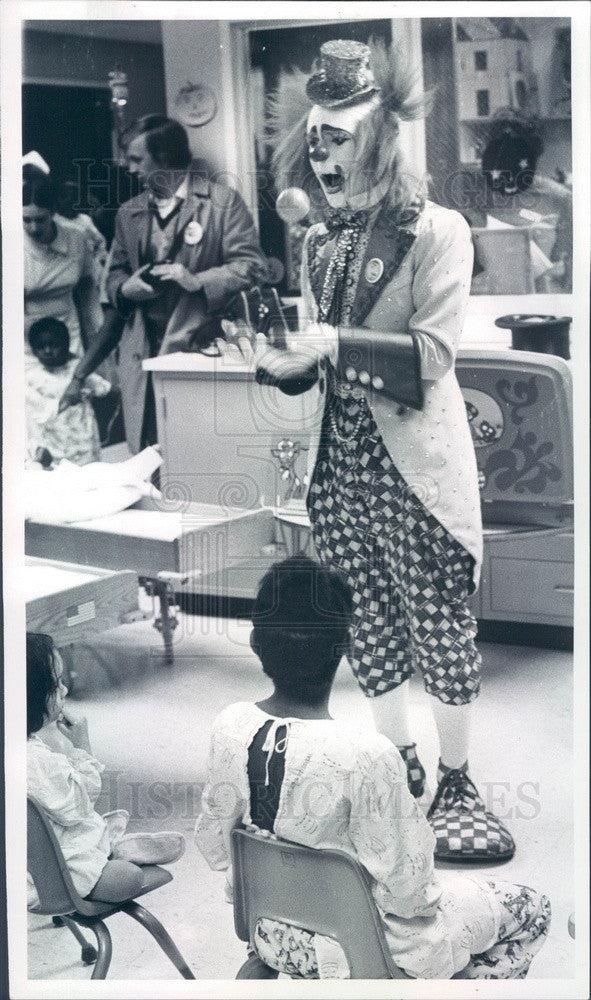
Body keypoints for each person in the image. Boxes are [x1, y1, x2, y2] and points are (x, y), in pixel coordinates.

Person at [240, 39, 516, 863]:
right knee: (367, 628)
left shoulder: (438, 230)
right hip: (339, 468)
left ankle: (458, 779)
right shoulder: (319, 243)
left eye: (341, 134)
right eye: (315, 136)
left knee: (439, 629)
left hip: (415, 474)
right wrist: (290, 364)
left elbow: (430, 357)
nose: (322, 153)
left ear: (383, 137)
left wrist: (325, 342)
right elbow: (317, 361)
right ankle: (397, 765)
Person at [195, 556, 550, 980]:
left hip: (270, 935)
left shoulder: (230, 726)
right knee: (531, 907)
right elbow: (410, 894)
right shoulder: (368, 755)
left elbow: (216, 844)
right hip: (356, 951)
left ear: (256, 643)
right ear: (346, 647)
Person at [60, 114, 266, 455]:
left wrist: (196, 280)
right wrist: (126, 288)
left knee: (199, 452)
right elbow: (114, 273)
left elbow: (251, 267)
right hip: (142, 351)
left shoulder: (222, 203)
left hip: (199, 345)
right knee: (148, 452)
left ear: (166, 158)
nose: (129, 167)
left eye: (137, 159)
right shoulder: (129, 213)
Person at [27, 633, 185, 907]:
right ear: (31, 696)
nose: (64, 690)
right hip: (53, 878)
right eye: (56, 684)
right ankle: (116, 849)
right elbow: (79, 805)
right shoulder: (34, 758)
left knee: (96, 832)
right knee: (129, 877)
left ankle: (112, 845)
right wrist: (82, 749)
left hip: (28, 866)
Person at [23, 172, 102, 358]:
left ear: (52, 212)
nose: (33, 228)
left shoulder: (76, 238)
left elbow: (87, 289)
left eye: (40, 219)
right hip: (24, 335)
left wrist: (98, 330)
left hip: (68, 332)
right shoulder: (11, 245)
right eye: (26, 220)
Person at [25, 317, 110, 468]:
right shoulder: (33, 378)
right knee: (60, 476)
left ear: (66, 345)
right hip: (54, 441)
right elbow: (34, 416)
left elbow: (103, 389)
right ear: (33, 349)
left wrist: (88, 388)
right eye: (41, 347)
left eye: (54, 345)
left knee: (90, 472)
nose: (48, 351)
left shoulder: (77, 370)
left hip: (84, 435)